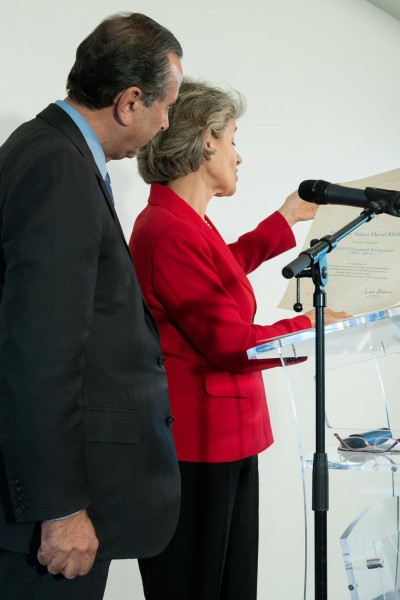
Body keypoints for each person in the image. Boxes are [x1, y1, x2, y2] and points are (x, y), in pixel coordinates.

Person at [129, 78, 349, 600]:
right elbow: (231, 343)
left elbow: (219, 267)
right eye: (233, 138)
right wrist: (315, 326)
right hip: (199, 449)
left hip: (224, 441)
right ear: (205, 141)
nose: (239, 155)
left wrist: (285, 219)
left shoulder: (183, 222)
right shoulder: (165, 230)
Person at [0, 12, 183, 600]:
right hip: (45, 524)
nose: (166, 122)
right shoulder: (57, 165)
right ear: (131, 101)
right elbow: (41, 350)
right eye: (165, 106)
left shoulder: (47, 149)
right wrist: (61, 508)